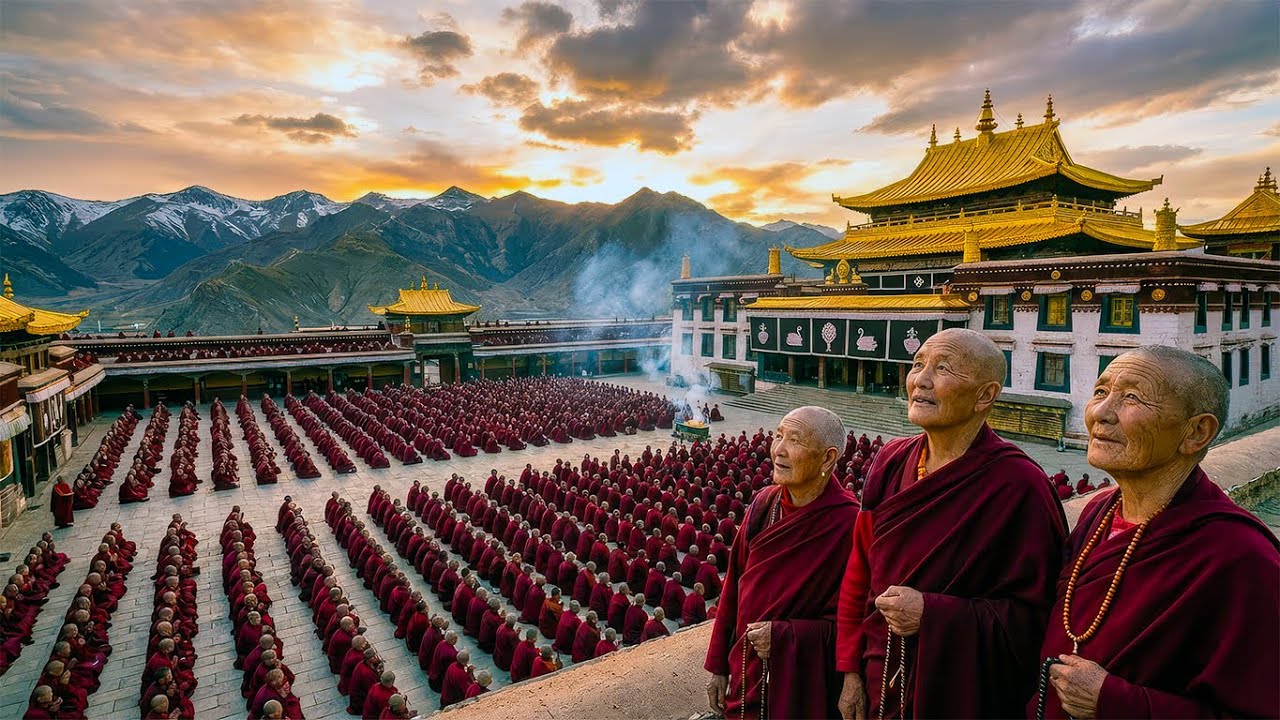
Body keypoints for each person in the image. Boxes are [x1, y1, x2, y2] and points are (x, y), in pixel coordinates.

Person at [836, 329, 1066, 719]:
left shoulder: (1019, 485)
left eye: (942, 368)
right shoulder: (891, 460)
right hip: (882, 666)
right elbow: (860, 573)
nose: (920, 380)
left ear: (985, 395)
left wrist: (933, 613)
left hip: (960, 688)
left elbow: (1036, 619)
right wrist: (849, 671)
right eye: (917, 364)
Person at [1037, 346, 1279, 718]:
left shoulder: (1240, 557)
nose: (1100, 413)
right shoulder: (1099, 514)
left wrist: (1115, 700)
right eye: (1101, 392)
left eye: (1132, 398)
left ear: (1196, 432)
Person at [705, 406, 859, 719]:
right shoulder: (763, 504)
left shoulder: (849, 524)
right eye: (778, 436)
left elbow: (853, 621)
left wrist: (785, 637)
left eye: (794, 440)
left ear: (828, 458)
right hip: (747, 666)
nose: (779, 450)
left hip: (803, 679)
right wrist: (719, 664)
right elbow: (734, 587)